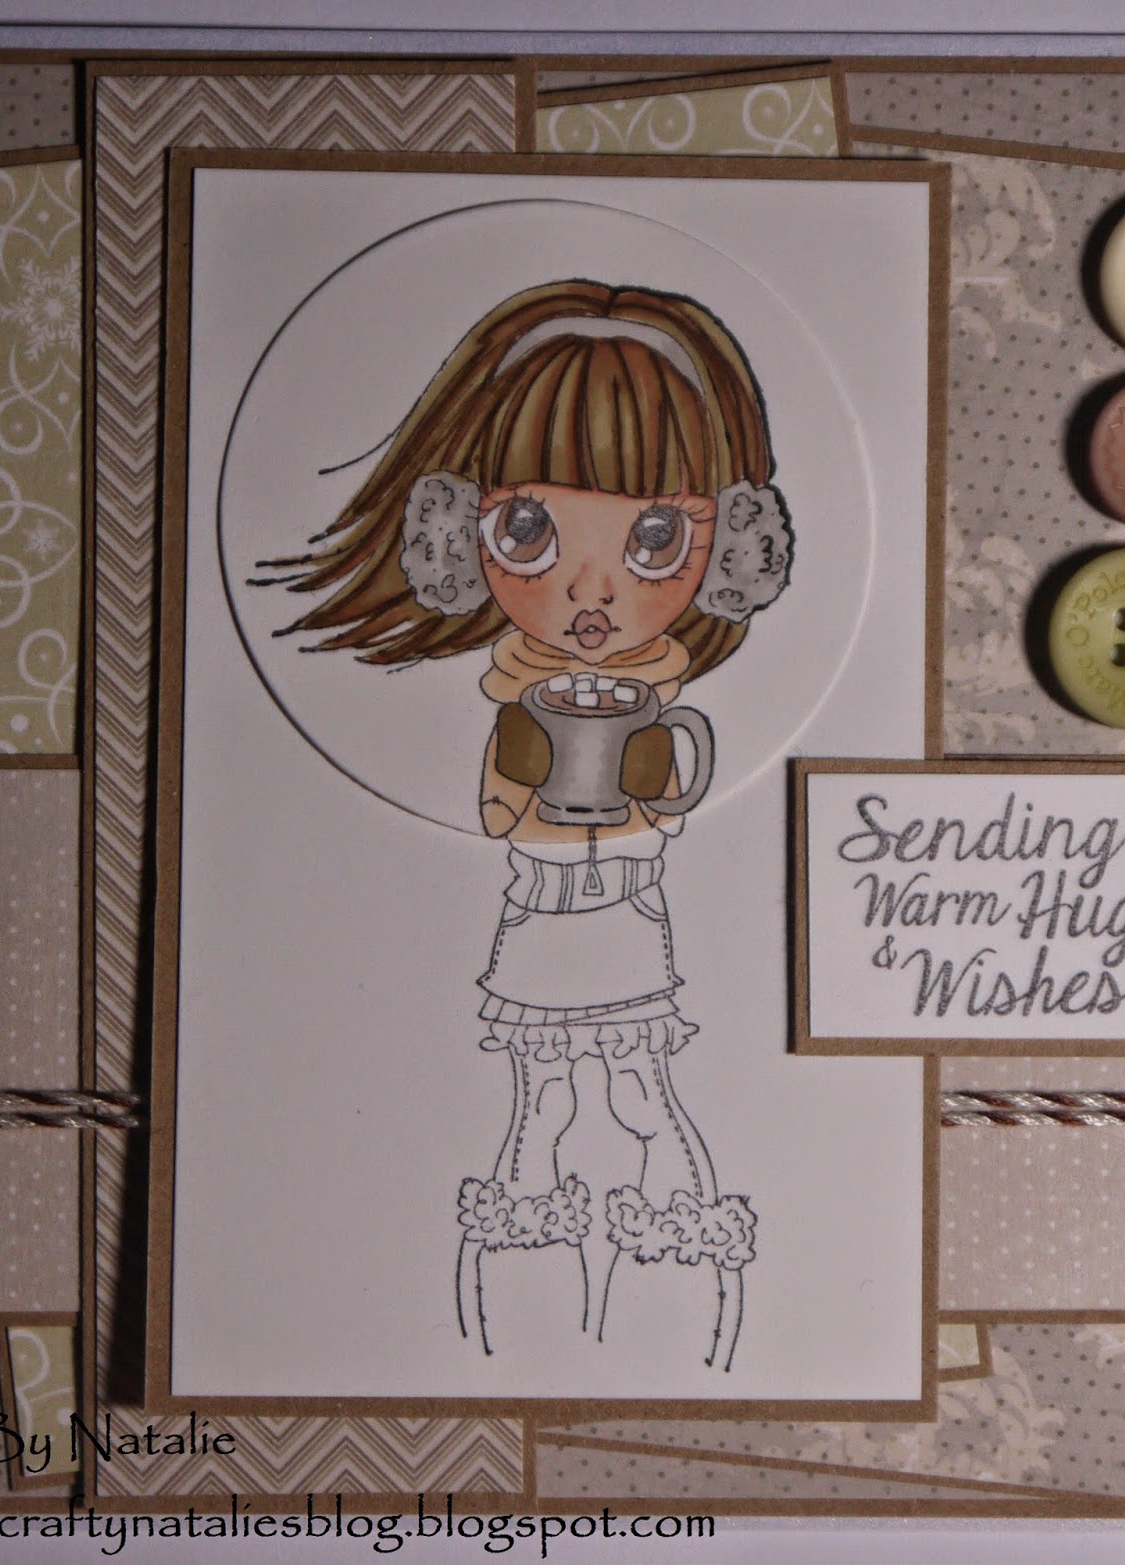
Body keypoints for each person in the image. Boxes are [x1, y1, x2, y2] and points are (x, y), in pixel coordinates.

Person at [254, 280, 792, 1372]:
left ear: (731, 543)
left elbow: (672, 793)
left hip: (626, 915)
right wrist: (517, 776)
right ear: (456, 532)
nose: (591, 589)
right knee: (537, 1107)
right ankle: (512, 1319)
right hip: (538, 917)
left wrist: (661, 772)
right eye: (530, 529)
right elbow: (499, 802)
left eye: (655, 537)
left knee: (640, 1097)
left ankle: (680, 1286)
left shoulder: (657, 698)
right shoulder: (518, 697)